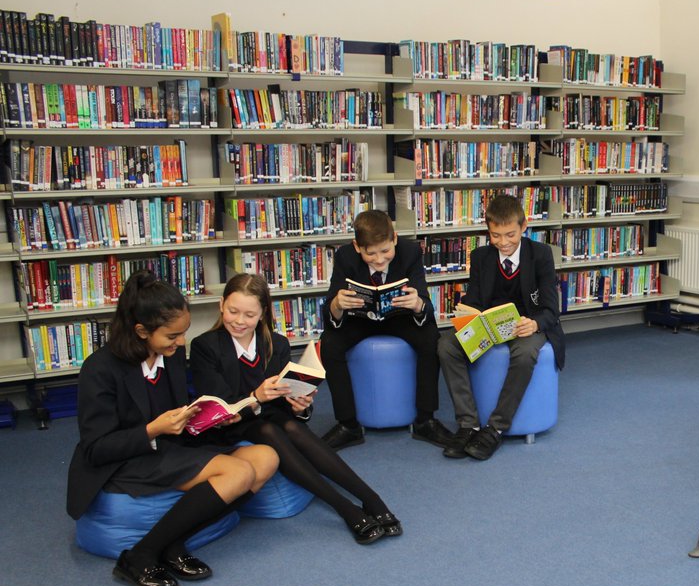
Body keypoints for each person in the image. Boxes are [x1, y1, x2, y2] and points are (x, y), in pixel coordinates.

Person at [66, 271, 279, 586]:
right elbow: (96, 447)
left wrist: (207, 417)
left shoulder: (172, 355)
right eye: (172, 336)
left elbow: (176, 409)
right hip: (127, 459)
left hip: (171, 447)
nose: (181, 343)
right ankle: (139, 555)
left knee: (265, 458)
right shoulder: (100, 369)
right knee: (236, 473)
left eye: (183, 334)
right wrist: (154, 429)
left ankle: (173, 545)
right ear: (141, 331)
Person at [189, 273, 399, 544]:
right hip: (230, 425)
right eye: (233, 311)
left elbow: (285, 404)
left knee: (291, 426)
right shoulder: (205, 347)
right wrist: (255, 396)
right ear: (221, 305)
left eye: (249, 315)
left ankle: (371, 498)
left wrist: (300, 407)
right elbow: (220, 408)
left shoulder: (277, 344)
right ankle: (345, 508)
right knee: (270, 429)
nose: (239, 321)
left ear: (263, 313)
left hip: (271, 418)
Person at [437, 193, 565, 460]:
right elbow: (474, 300)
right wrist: (467, 314)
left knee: (526, 353)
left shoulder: (540, 255)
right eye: (496, 235)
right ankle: (468, 424)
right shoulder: (481, 256)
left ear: (523, 227)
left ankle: (495, 428)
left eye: (510, 234)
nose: (503, 242)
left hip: (526, 325)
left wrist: (535, 323)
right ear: (488, 231)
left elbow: (552, 309)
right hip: (490, 326)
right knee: (447, 345)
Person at [319, 209, 454, 451]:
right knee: (329, 344)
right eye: (370, 253)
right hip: (360, 318)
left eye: (386, 251)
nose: (380, 260)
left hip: (399, 317)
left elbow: (424, 303)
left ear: (395, 239)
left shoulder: (411, 251)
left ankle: (426, 420)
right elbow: (331, 313)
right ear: (357, 247)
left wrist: (418, 305)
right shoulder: (345, 257)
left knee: (431, 338)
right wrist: (338, 304)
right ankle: (348, 425)